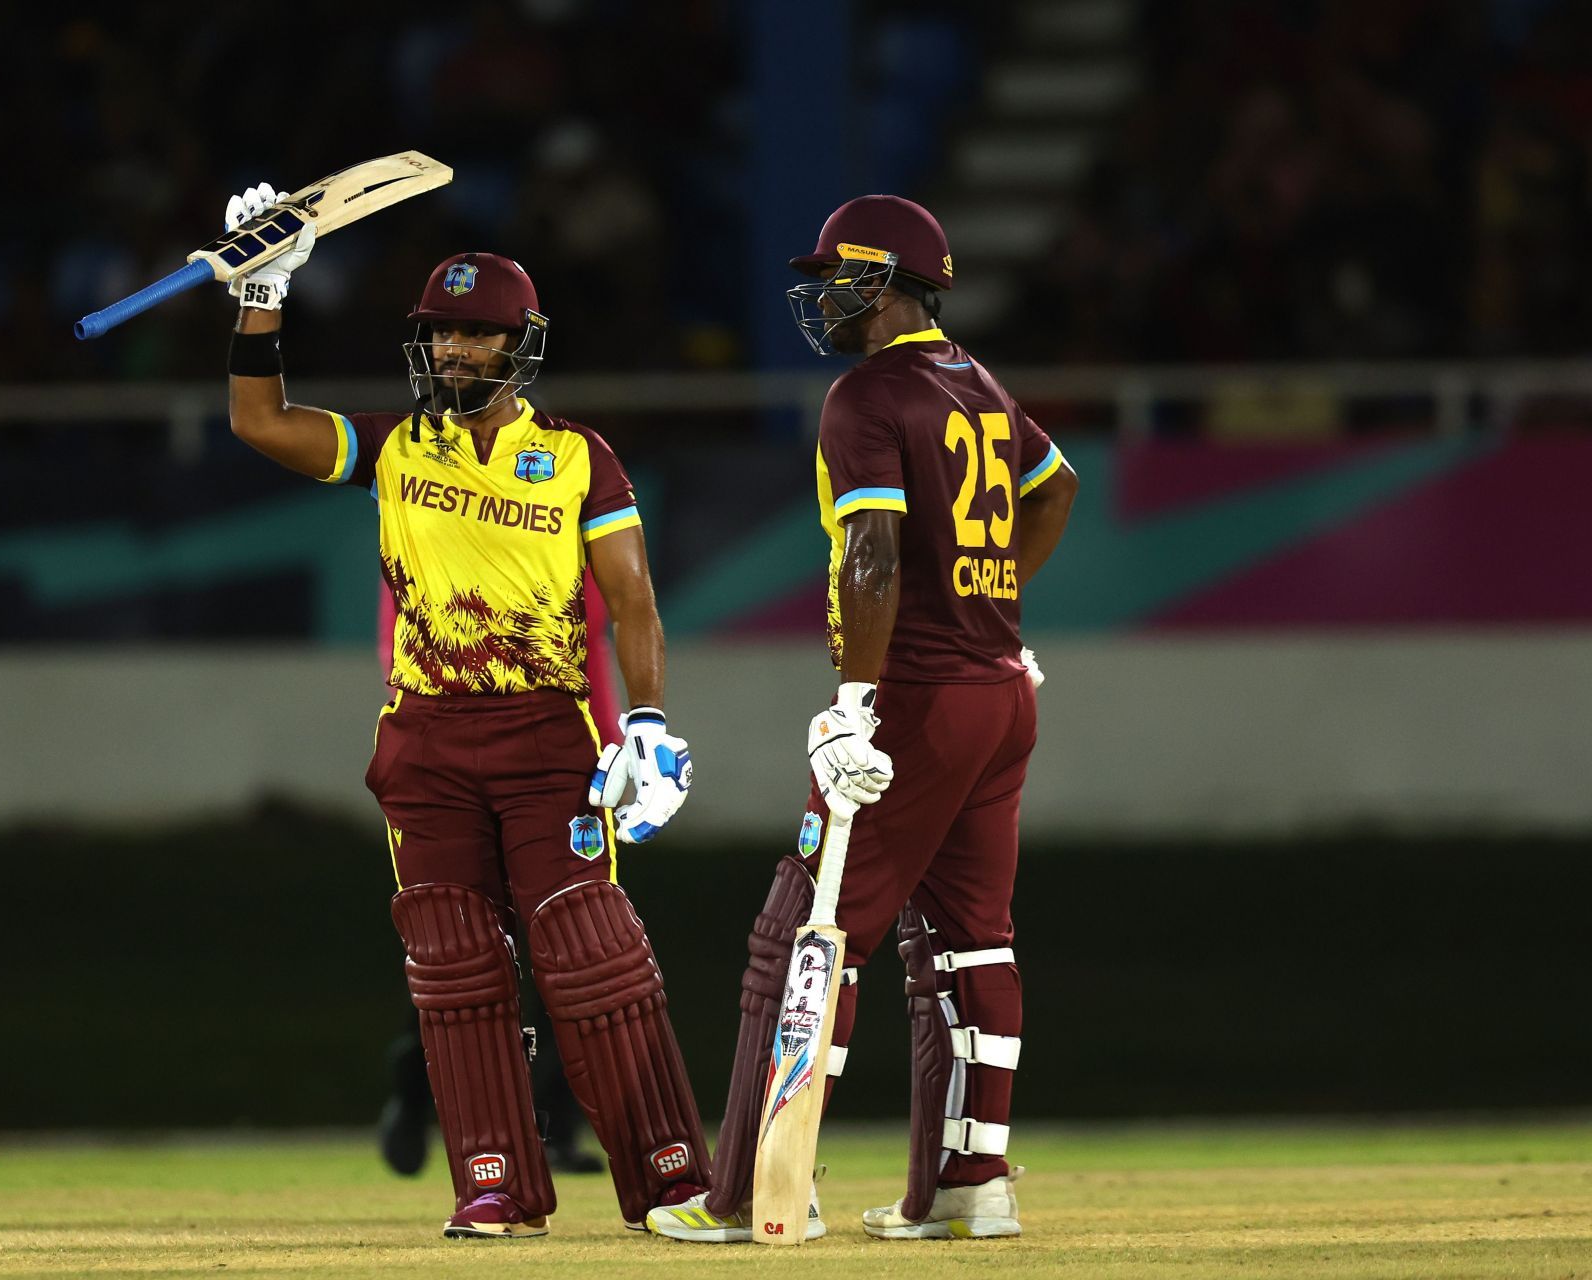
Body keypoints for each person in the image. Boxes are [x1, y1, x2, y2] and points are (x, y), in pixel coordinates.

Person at [218, 183, 706, 1239]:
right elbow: (257, 419)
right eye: (439, 334)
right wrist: (262, 294)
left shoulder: (579, 456)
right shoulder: (394, 450)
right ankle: (494, 1179)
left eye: (474, 337)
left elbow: (632, 601)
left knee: (588, 950)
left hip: (546, 736)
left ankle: (669, 1175)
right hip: (427, 740)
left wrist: (652, 727)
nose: (451, 353)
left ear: (517, 346)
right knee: (451, 963)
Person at [646, 195, 1078, 1243]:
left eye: (839, 274)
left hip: (918, 696)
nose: (824, 293)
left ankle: (752, 1190)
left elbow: (870, 555)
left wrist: (852, 704)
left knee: (801, 931)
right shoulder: (978, 382)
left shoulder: (867, 394)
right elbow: (1054, 485)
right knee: (973, 944)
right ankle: (971, 1184)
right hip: (999, 692)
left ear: (883, 281)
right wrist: (993, 606)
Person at [375, 575, 618, 1179]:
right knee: (463, 945)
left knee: (569, 949)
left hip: (559, 754)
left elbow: (593, 644)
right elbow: (399, 642)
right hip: (464, 751)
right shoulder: (434, 517)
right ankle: (415, 1088)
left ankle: (553, 1128)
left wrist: (612, 745)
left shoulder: (566, 513)